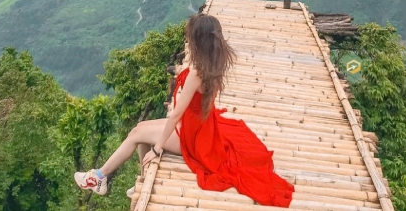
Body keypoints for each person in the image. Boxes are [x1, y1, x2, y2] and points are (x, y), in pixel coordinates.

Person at [74, 13, 294, 207]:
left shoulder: (197, 73)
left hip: (191, 137)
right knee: (140, 129)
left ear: (198, 41)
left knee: (136, 134)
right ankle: (136, 177)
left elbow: (177, 113)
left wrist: (158, 148)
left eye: (190, 37)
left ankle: (99, 178)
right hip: (201, 128)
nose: (187, 40)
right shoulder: (215, 61)